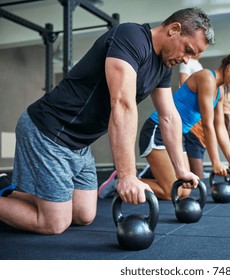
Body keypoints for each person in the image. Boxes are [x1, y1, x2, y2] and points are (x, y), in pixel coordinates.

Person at [0, 7, 215, 235]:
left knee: (83, 215)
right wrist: (126, 176)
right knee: (54, 223)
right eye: (188, 50)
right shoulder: (130, 37)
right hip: (49, 131)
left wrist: (180, 170)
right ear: (174, 29)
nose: (187, 60)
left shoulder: (163, 65)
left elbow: (169, 116)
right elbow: (122, 104)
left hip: (79, 144)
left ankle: (5, 188)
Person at [138, 52, 230, 200]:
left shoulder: (220, 91)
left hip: (177, 137)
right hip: (158, 130)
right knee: (170, 192)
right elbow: (207, 124)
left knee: (184, 189)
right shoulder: (206, 78)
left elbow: (220, 127)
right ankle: (123, 182)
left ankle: (153, 173)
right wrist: (215, 162)